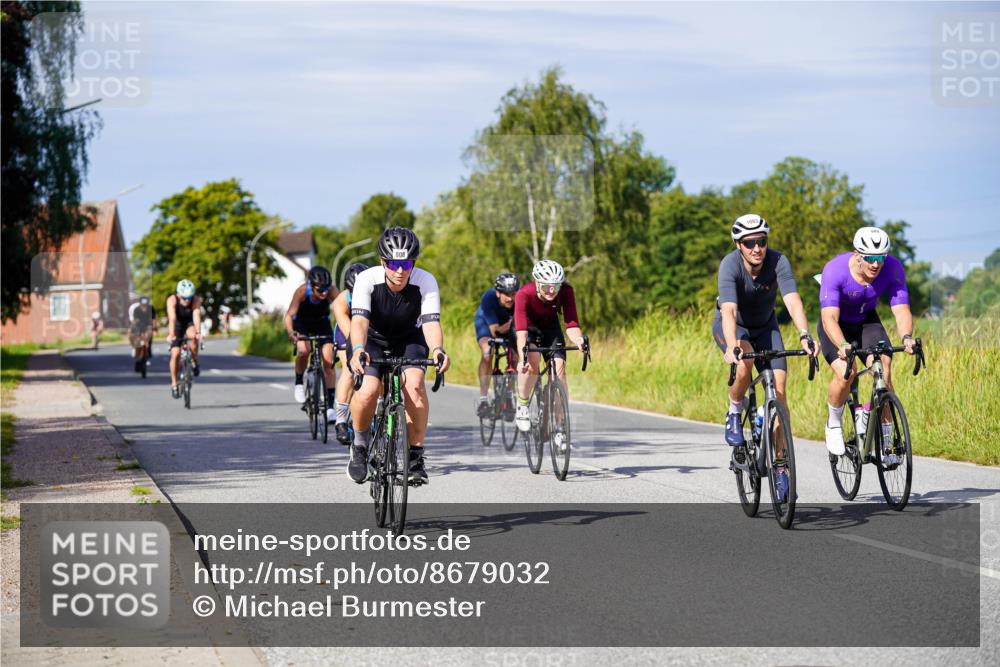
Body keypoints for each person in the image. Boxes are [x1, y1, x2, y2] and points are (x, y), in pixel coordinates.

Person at [712, 214, 816, 502]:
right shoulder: (729, 265)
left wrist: (805, 334)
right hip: (735, 326)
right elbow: (729, 311)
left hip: (766, 327)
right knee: (744, 366)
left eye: (762, 241)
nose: (757, 248)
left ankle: (780, 466)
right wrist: (732, 345)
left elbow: (792, 299)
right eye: (750, 243)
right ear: (738, 244)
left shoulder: (778, 261)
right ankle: (734, 411)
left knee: (780, 396)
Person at [347, 227, 450, 485]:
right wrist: (358, 349)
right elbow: (359, 322)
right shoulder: (367, 280)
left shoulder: (425, 281)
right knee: (369, 389)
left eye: (406, 263)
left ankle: (415, 457)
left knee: (414, 385)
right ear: (383, 261)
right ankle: (359, 446)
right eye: (394, 263)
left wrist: (437, 350)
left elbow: (430, 324)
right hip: (372, 339)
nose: (400, 270)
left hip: (408, 339)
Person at [818, 226, 916, 462]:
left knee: (883, 368)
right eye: (870, 258)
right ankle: (833, 424)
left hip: (866, 322)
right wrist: (841, 343)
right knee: (846, 372)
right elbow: (829, 317)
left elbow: (901, 311)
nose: (875, 264)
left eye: (880, 257)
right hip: (837, 324)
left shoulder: (892, 268)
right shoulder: (835, 270)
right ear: (857, 254)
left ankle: (887, 442)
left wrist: (906, 337)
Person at [513, 259, 589, 453]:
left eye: (555, 286)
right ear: (537, 283)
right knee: (533, 361)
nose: (551, 291)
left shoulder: (566, 291)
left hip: (551, 329)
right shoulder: (524, 294)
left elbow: (571, 324)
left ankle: (560, 428)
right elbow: (521, 331)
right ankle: (522, 404)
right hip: (529, 328)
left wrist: (579, 341)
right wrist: (522, 358)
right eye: (546, 286)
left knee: (560, 373)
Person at [283, 265, 340, 423]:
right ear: (311, 286)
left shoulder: (331, 291)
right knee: (304, 350)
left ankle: (329, 407)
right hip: (302, 325)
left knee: (328, 361)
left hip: (322, 324)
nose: (323, 293)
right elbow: (289, 316)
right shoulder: (302, 291)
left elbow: (344, 309)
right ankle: (299, 382)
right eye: (320, 290)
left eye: (326, 290)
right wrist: (291, 333)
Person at [331, 262, 368, 445]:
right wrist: (359, 349)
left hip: (369, 327)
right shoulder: (341, 301)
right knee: (349, 370)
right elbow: (351, 335)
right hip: (346, 331)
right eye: (353, 291)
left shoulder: (375, 292)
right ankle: (341, 421)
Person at [474, 272, 520, 417]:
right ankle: (483, 400)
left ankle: (508, 394)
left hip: (508, 326)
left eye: (513, 294)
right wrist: (513, 324)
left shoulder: (519, 299)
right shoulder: (488, 298)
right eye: (506, 294)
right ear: (498, 293)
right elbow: (495, 331)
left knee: (517, 355)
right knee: (488, 352)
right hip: (487, 325)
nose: (510, 298)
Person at [167, 279, 203, 398]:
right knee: (175, 353)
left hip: (189, 323)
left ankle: (194, 361)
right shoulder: (172, 300)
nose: (187, 300)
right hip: (177, 325)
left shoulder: (196, 300)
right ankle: (174, 384)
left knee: (193, 337)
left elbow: (196, 315)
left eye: (189, 298)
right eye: (184, 298)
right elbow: (172, 318)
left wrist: (198, 332)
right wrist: (171, 334)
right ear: (178, 295)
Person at [128, 296, 157, 365]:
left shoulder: (151, 308)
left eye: (145, 305)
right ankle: (136, 349)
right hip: (139, 326)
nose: (144, 307)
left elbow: (154, 319)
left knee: (148, 337)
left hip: (148, 325)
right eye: (142, 305)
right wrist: (133, 328)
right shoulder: (136, 309)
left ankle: (148, 351)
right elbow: (134, 321)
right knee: (136, 338)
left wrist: (155, 328)